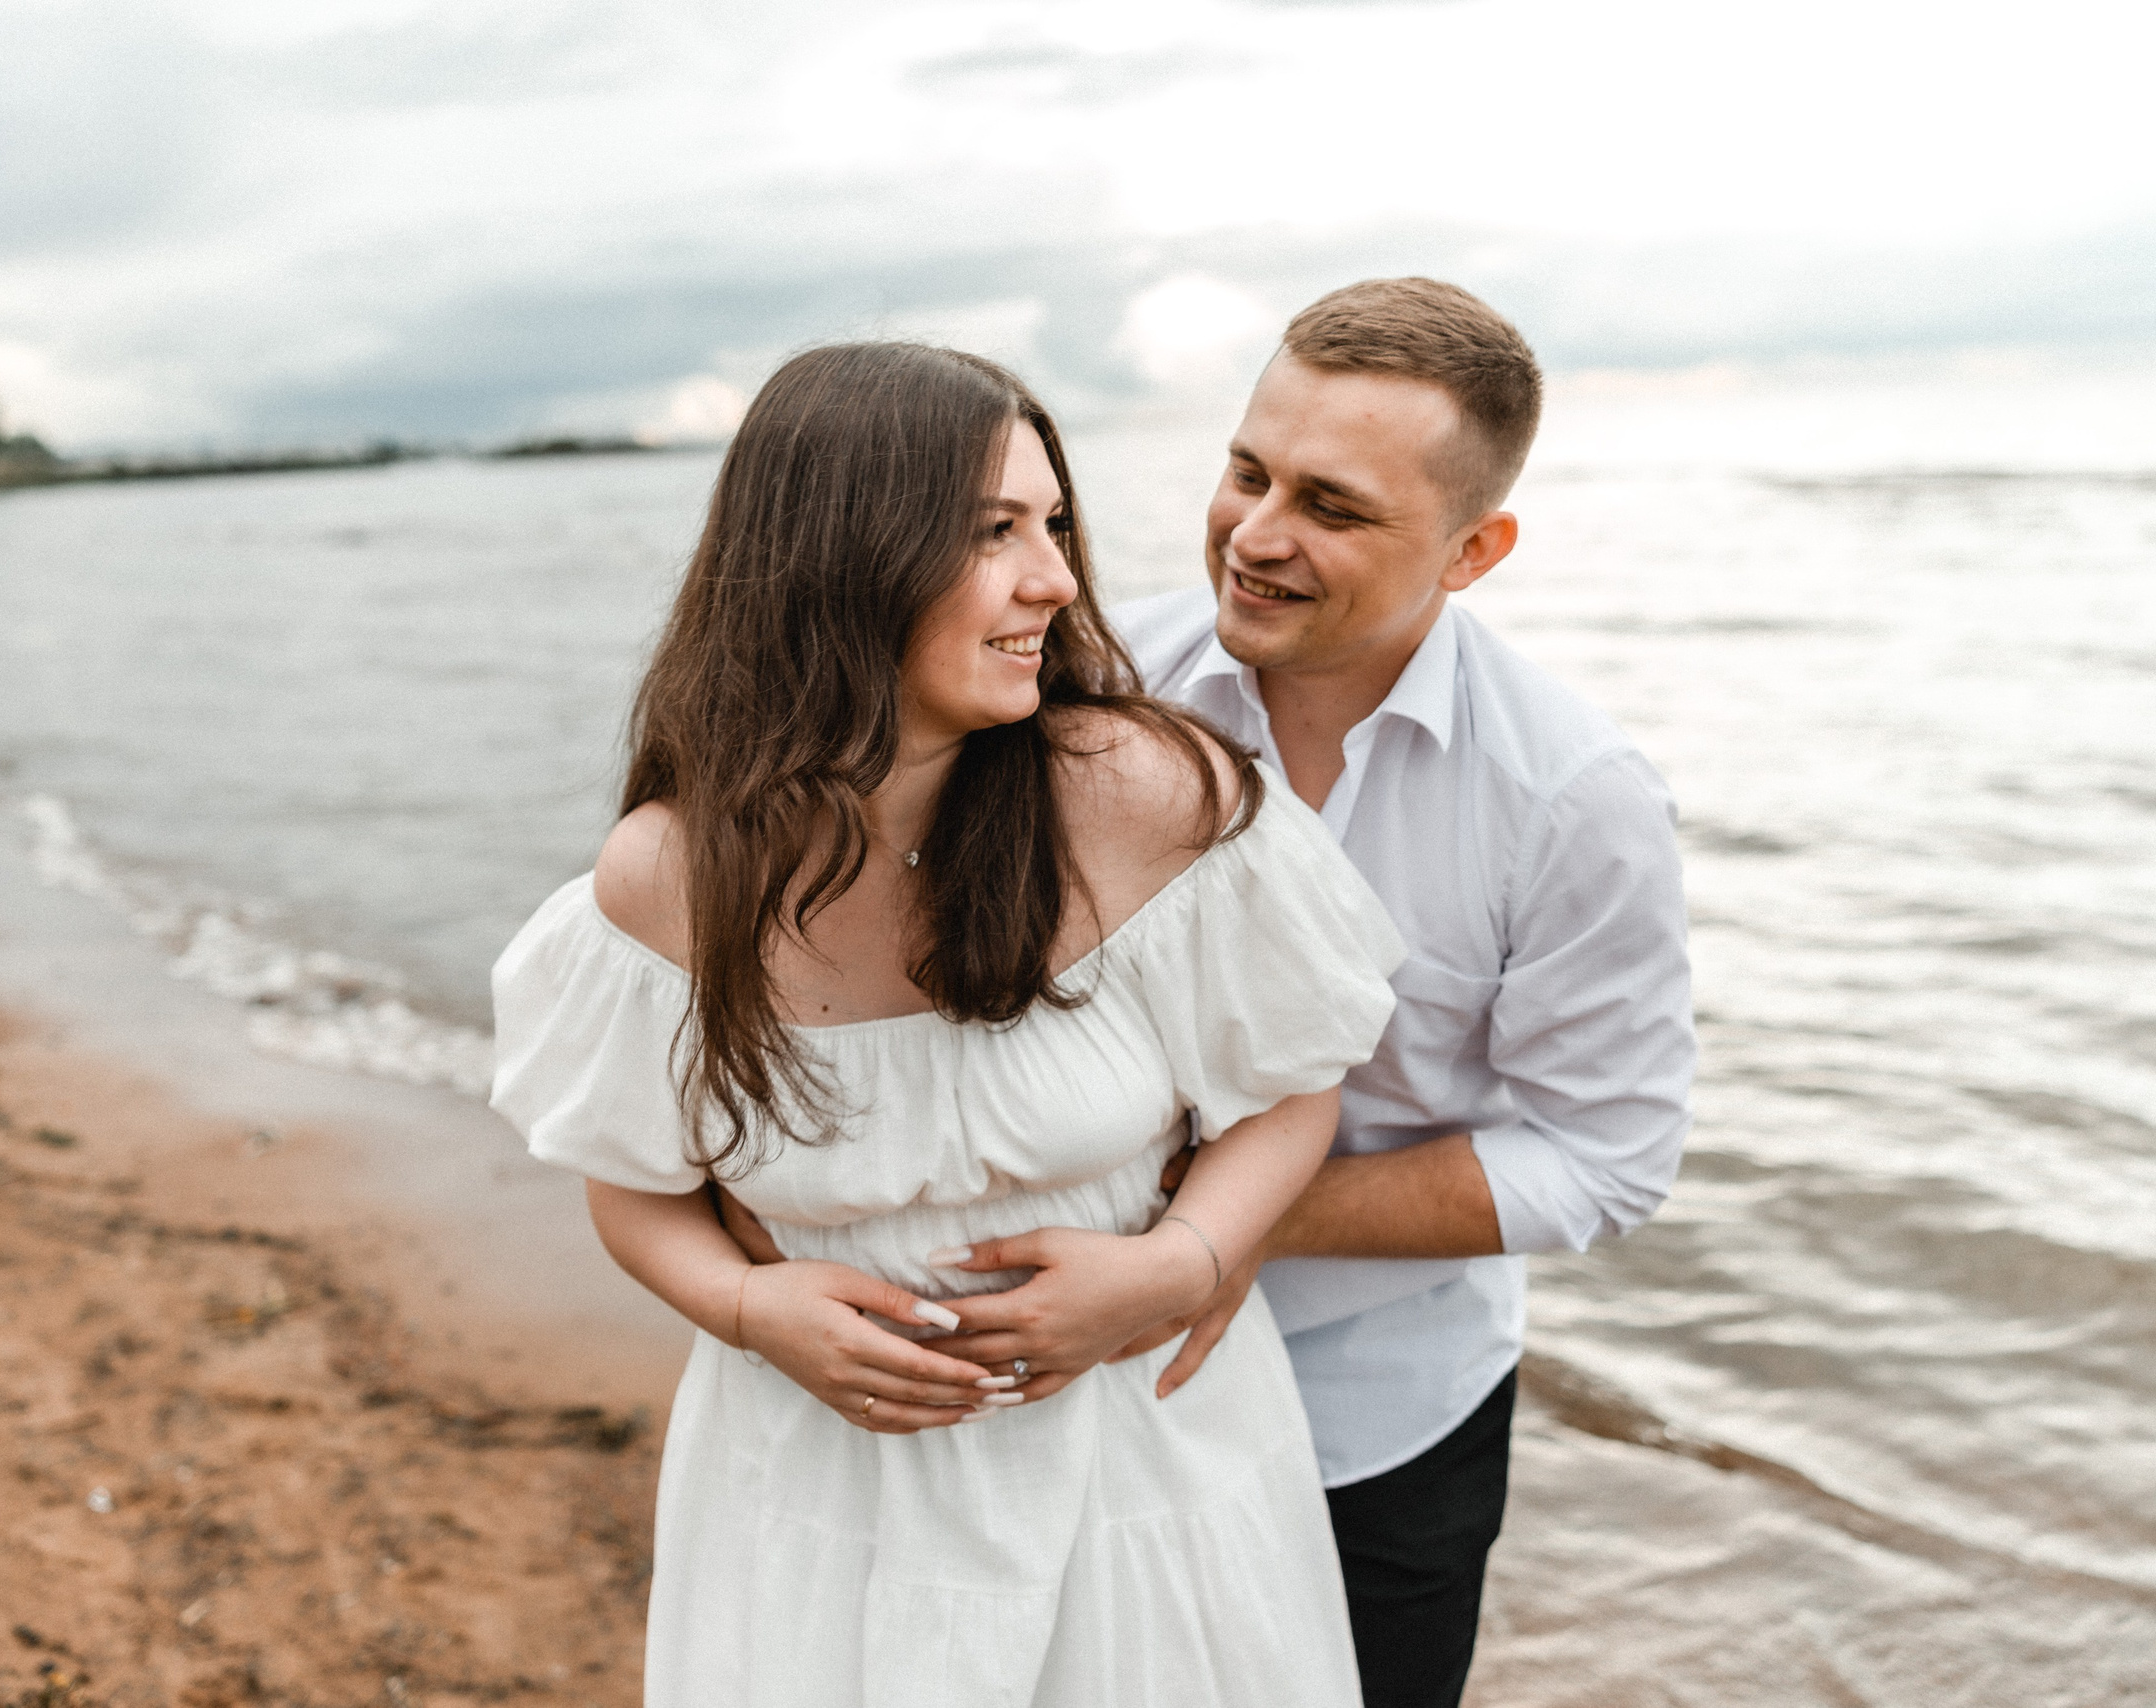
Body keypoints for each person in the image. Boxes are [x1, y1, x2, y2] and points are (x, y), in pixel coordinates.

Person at [489, 341, 1407, 1706]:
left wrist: (1184, 1265)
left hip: (1139, 1466)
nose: (1053, 578)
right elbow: (632, 1194)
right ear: (846, 555)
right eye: (993, 533)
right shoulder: (666, 882)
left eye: (1055, 526)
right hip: (813, 1492)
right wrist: (750, 1308)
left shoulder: (1143, 793)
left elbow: (1292, 1093)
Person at [916, 279, 1698, 1708]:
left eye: (1333, 508)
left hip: (1379, 1431)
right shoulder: (1093, 689)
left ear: (1474, 551)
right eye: (1246, 471)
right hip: (1075, 1406)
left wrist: (1209, 1241)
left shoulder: (1573, 801)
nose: (1257, 536)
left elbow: (1607, 1157)